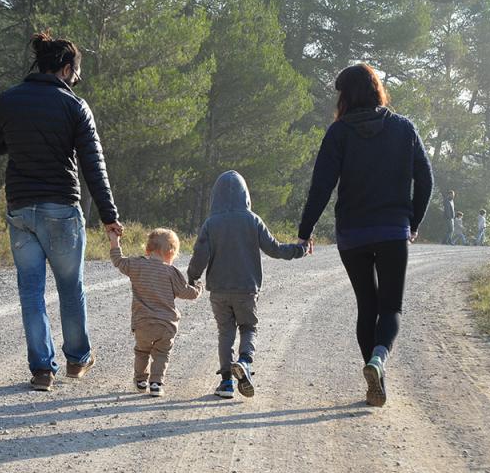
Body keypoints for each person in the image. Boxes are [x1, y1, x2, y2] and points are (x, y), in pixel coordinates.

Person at [0, 31, 123, 392]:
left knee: (31, 291)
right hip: (60, 207)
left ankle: (42, 370)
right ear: (65, 67)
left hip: (21, 208)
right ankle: (77, 359)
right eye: (77, 72)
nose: (77, 79)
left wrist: (21, 141)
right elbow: (94, 166)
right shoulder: (74, 106)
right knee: (70, 286)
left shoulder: (9, 99)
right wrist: (109, 215)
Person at [297, 63, 433, 407]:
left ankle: (374, 378)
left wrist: (305, 231)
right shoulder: (404, 129)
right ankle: (378, 360)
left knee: (366, 306)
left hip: (352, 234)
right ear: (376, 91)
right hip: (392, 231)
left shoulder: (338, 132)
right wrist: (412, 221)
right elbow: (426, 180)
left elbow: (321, 187)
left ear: (346, 96)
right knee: (390, 309)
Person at [187, 171, 308, 399]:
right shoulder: (253, 220)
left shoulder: (211, 223)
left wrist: (192, 276)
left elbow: (199, 255)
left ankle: (226, 384)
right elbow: (275, 249)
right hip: (246, 289)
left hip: (219, 290)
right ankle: (244, 361)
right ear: (246, 195)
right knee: (248, 328)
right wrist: (299, 250)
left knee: (225, 333)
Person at [109, 228, 202, 397]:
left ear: (148, 249)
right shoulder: (171, 272)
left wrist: (115, 240)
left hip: (142, 323)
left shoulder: (136, 264)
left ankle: (141, 380)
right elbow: (188, 293)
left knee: (142, 351)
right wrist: (198, 287)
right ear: (171, 252)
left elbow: (118, 260)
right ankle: (156, 383)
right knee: (161, 353)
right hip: (166, 325)